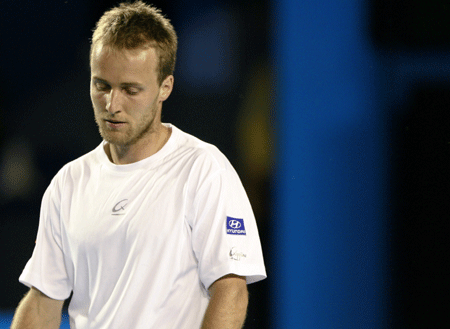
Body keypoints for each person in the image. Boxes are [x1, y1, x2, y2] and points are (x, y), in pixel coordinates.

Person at [10, 2, 266, 328]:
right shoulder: (68, 183)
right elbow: (43, 300)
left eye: (130, 90)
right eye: (101, 85)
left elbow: (230, 289)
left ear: (165, 88)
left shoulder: (205, 170)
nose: (112, 105)